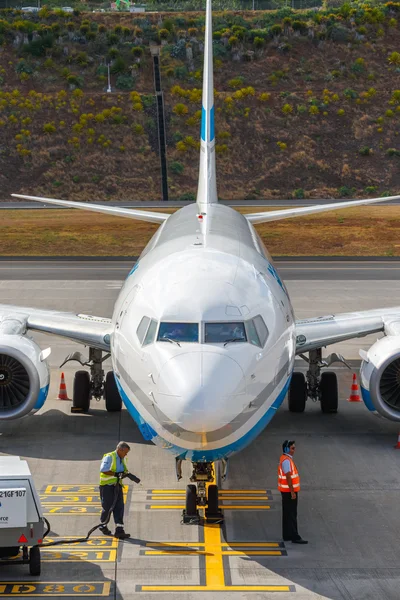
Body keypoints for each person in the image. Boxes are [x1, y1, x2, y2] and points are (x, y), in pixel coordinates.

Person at [99, 441, 131, 540]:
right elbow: (103, 469)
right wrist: (116, 474)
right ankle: (103, 525)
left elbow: (123, 469)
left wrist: (126, 474)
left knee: (119, 506)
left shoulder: (122, 458)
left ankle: (119, 530)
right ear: (120, 450)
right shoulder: (109, 457)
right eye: (125, 452)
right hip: (107, 486)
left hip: (117, 486)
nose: (126, 454)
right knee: (107, 507)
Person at [278, 440, 308, 544]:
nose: (294, 450)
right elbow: (288, 477)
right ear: (287, 449)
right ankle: (295, 536)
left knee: (287, 513)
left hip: (285, 491)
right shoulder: (286, 461)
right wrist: (292, 492)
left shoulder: (285, 459)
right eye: (292, 448)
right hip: (289, 491)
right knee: (292, 514)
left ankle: (286, 535)